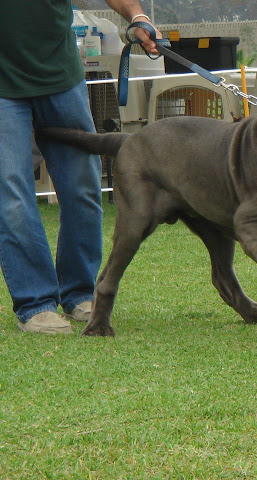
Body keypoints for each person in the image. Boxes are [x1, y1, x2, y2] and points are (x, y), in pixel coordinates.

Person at [0, 1, 160, 334]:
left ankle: (79, 293)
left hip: (60, 76)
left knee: (84, 185)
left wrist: (137, 16)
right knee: (11, 193)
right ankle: (36, 303)